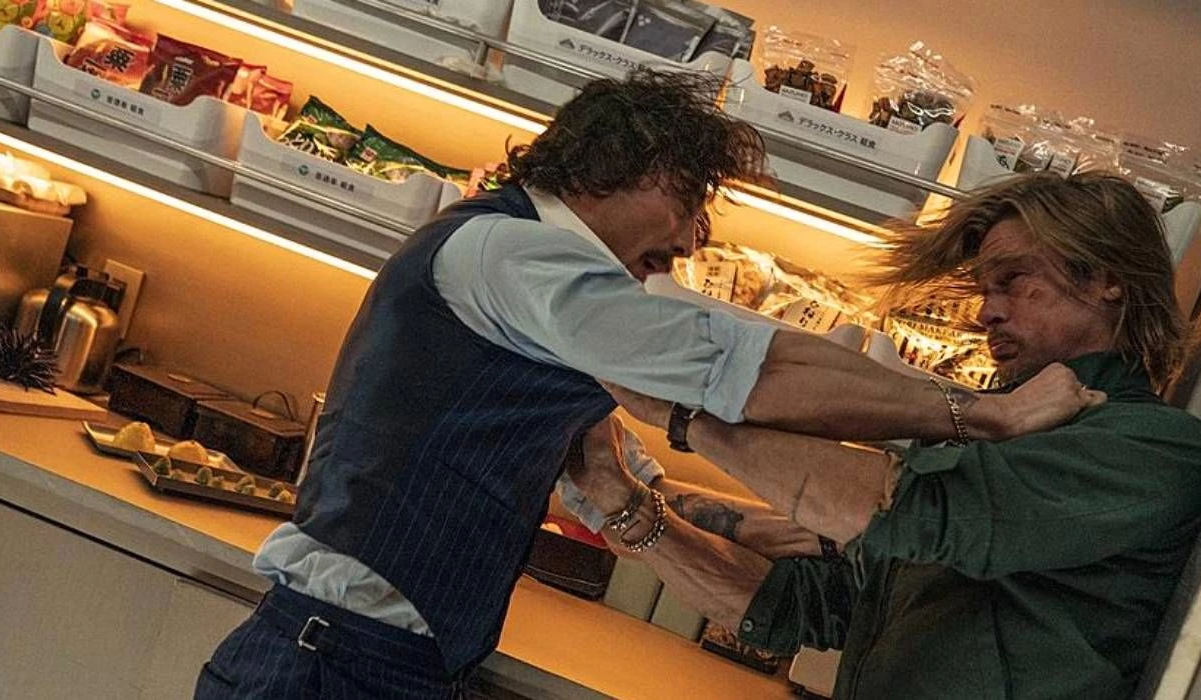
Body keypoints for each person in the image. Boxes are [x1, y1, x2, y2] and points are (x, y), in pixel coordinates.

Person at [195, 72, 1097, 698]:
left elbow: (594, 472)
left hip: (364, 660)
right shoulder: (514, 254)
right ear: (632, 170)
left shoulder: (546, 293)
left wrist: (745, 523)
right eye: (691, 204)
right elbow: (751, 368)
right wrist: (980, 415)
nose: (693, 242)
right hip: (332, 664)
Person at [572, 172, 1201, 699]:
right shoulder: (990, 438)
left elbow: (900, 509)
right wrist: (619, 496)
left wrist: (686, 416)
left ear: (1108, 279)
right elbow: (809, 607)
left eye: (1014, 281)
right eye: (984, 289)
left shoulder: (1153, 451)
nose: (988, 311)